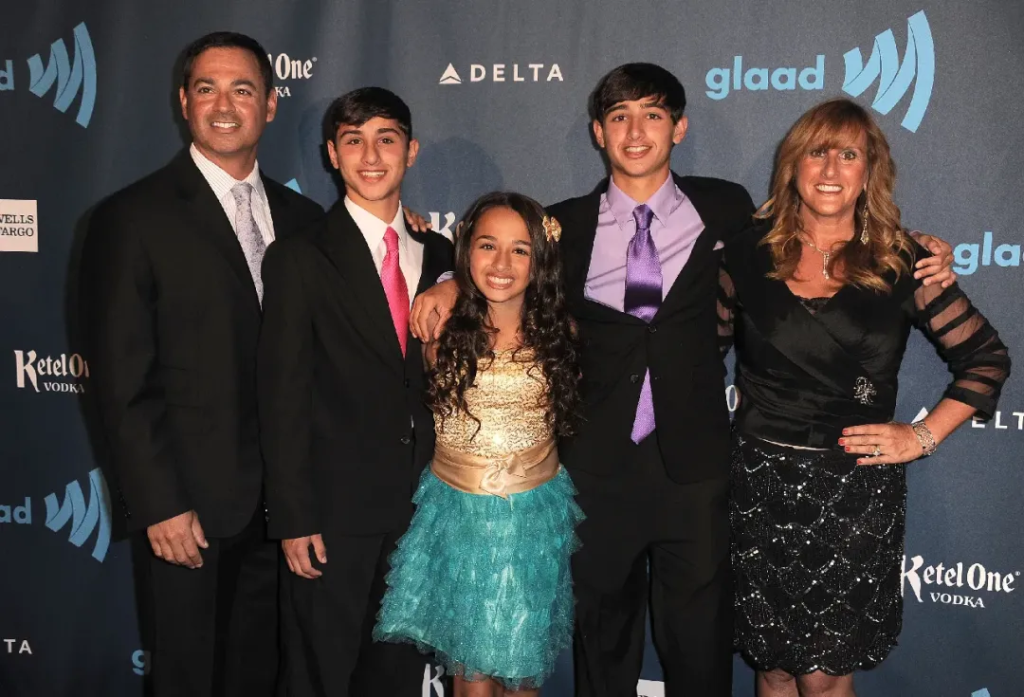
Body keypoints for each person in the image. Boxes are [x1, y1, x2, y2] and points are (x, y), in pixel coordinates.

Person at [409, 64, 956, 697]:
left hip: (696, 469)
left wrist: (914, 245)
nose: (635, 131)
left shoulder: (727, 209)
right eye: (619, 117)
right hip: (596, 468)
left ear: (680, 128)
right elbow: (499, 258)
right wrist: (448, 282)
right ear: (598, 132)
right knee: (603, 646)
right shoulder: (562, 226)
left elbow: (814, 228)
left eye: (653, 115)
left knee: (699, 648)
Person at [721, 98, 1011, 697]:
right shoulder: (745, 255)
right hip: (757, 489)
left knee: (824, 680)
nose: (830, 169)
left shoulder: (905, 261)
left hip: (853, 495)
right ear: (793, 167)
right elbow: (694, 351)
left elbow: (985, 360)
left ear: (868, 170)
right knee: (772, 668)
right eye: (816, 152)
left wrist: (921, 436)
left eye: (848, 154)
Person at [80, 32, 323, 697]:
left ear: (269, 105)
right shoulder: (131, 218)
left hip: (286, 513)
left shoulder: (305, 220)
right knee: (187, 679)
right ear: (184, 102)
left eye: (242, 90)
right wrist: (159, 503)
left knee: (262, 678)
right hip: (187, 511)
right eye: (207, 89)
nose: (224, 105)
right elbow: (122, 381)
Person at [257, 87, 454, 697]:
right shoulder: (298, 257)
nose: (371, 156)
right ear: (332, 154)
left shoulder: (440, 253)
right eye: (353, 141)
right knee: (318, 675)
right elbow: (282, 395)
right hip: (332, 515)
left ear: (411, 151)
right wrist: (294, 517)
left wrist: (452, 278)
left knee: (394, 677)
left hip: (420, 512)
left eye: (386, 139)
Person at [374, 192, 584, 696]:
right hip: (458, 516)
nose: (502, 263)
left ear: (539, 259)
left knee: (522, 670)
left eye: (520, 250)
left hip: (532, 520)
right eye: (488, 245)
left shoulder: (561, 333)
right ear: (466, 250)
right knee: (471, 676)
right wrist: (448, 283)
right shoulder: (438, 330)